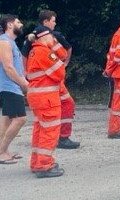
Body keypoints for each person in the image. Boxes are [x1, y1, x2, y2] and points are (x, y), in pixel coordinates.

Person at [21, 10, 80, 149]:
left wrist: (62, 62)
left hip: (52, 79)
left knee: (68, 104)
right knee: (48, 120)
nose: (55, 23)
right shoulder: (39, 40)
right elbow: (25, 55)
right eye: (53, 20)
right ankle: (58, 140)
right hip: (48, 80)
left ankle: (62, 137)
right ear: (46, 21)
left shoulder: (47, 38)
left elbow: (66, 51)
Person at [26, 26, 68, 177]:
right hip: (47, 99)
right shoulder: (44, 52)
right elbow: (60, 73)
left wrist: (54, 45)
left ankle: (37, 162)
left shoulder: (33, 51)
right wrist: (55, 46)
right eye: (52, 37)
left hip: (38, 98)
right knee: (49, 131)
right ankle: (44, 166)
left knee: (40, 130)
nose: (54, 40)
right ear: (45, 37)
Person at [0, 15, 28, 165]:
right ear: (10, 25)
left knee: (6, 121)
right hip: (10, 87)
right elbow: (8, 68)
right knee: (20, 119)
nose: (21, 24)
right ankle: (1, 152)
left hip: (11, 87)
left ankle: (4, 150)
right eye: (18, 22)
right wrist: (24, 83)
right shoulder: (4, 41)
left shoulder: (11, 42)